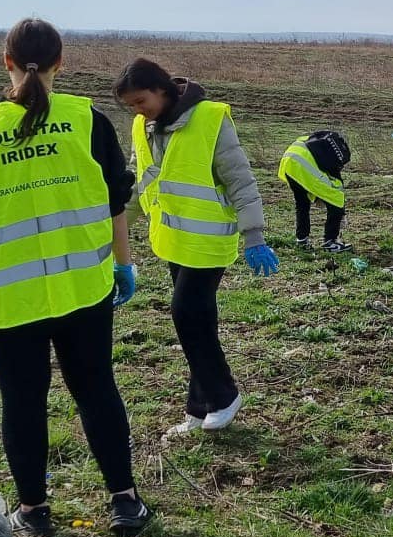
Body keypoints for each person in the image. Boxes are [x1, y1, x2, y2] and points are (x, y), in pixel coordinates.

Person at [0, 17, 150, 537]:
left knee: (23, 400)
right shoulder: (87, 120)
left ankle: (33, 511)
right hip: (83, 287)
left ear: (6, 61)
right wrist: (123, 263)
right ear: (62, 62)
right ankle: (125, 502)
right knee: (97, 389)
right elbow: (114, 200)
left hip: (9, 298)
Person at [115, 57, 279, 437]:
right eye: (131, 106)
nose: (138, 111)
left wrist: (254, 234)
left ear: (162, 89)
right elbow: (143, 184)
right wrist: (114, 229)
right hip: (173, 239)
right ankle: (199, 404)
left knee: (186, 315)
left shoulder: (209, 119)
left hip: (208, 241)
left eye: (141, 101)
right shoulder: (145, 126)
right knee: (198, 322)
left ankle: (224, 396)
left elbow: (240, 179)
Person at [279, 130, 352, 252]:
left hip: (288, 161)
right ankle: (330, 242)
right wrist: (341, 212)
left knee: (302, 203)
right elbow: (336, 188)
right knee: (336, 200)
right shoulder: (337, 158)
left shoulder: (321, 140)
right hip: (301, 164)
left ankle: (302, 240)